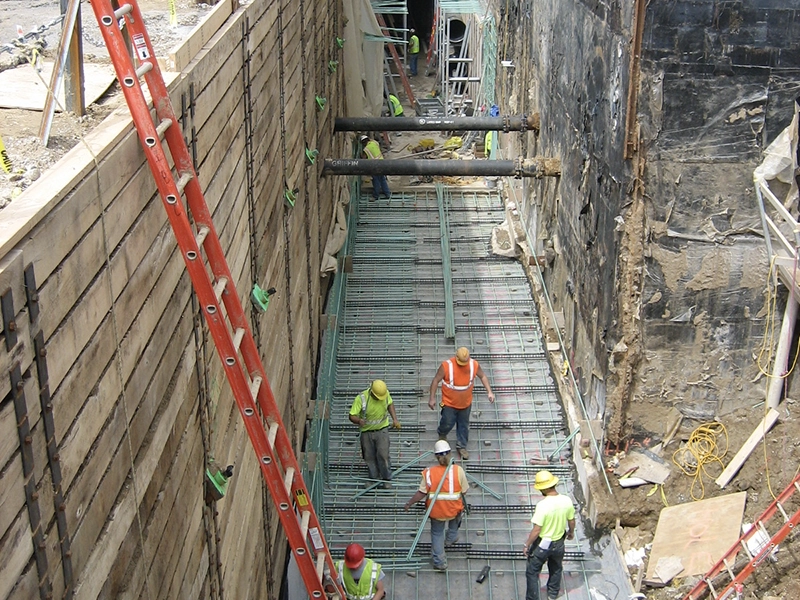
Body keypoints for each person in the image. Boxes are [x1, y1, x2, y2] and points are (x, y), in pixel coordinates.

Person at [403, 440, 468, 571]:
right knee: (455, 522)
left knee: (437, 534)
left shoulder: (429, 473)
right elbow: (464, 490)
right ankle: (451, 538)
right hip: (454, 510)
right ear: (450, 453)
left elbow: (421, 493)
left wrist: (409, 503)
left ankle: (440, 562)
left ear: (436, 457)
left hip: (436, 512)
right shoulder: (458, 470)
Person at [428, 346, 495, 460]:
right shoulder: (446, 366)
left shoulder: (474, 365)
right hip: (447, 403)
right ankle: (442, 433)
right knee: (447, 421)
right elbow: (435, 380)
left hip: (465, 404)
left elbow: (482, 376)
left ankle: (461, 446)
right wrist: (432, 398)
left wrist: (489, 392)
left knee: (463, 426)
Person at [522, 470, 576, 600]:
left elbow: (537, 530)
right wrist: (571, 532)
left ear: (543, 489)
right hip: (558, 543)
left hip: (542, 544)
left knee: (532, 572)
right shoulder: (566, 500)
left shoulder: (542, 505)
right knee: (556, 568)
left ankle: (532, 598)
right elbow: (572, 520)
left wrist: (527, 544)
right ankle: (552, 594)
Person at [349, 379, 400, 488]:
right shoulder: (361, 399)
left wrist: (395, 419)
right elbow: (352, 415)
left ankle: (386, 478)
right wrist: (358, 421)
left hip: (382, 430)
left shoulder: (385, 394)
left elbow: (390, 404)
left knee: (383, 454)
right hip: (366, 432)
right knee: (369, 456)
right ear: (372, 392)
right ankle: (373, 478)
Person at [360, 135, 391, 200]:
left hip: (375, 166)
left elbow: (363, 158)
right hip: (382, 162)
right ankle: (387, 194)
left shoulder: (366, 149)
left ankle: (375, 196)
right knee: (382, 179)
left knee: (376, 180)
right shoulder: (374, 142)